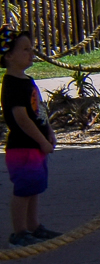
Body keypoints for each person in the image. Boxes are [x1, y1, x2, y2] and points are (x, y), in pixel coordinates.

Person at [4, 32, 57, 246]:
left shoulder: (27, 81)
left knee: (35, 186)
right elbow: (21, 117)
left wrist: (49, 131)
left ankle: (33, 226)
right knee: (24, 189)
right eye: (25, 49)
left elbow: (39, 111)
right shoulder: (12, 84)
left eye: (31, 48)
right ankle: (19, 232)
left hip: (36, 146)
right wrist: (41, 140)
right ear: (8, 56)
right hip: (22, 148)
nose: (31, 52)